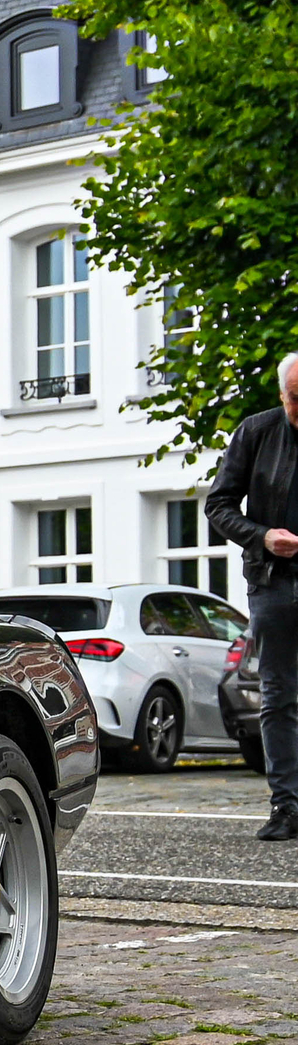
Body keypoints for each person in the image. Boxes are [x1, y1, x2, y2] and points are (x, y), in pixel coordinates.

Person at [203, 351, 298, 840]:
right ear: (281, 395)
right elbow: (218, 505)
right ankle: (287, 806)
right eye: (297, 398)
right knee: (278, 695)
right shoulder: (256, 432)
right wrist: (262, 537)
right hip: (273, 580)